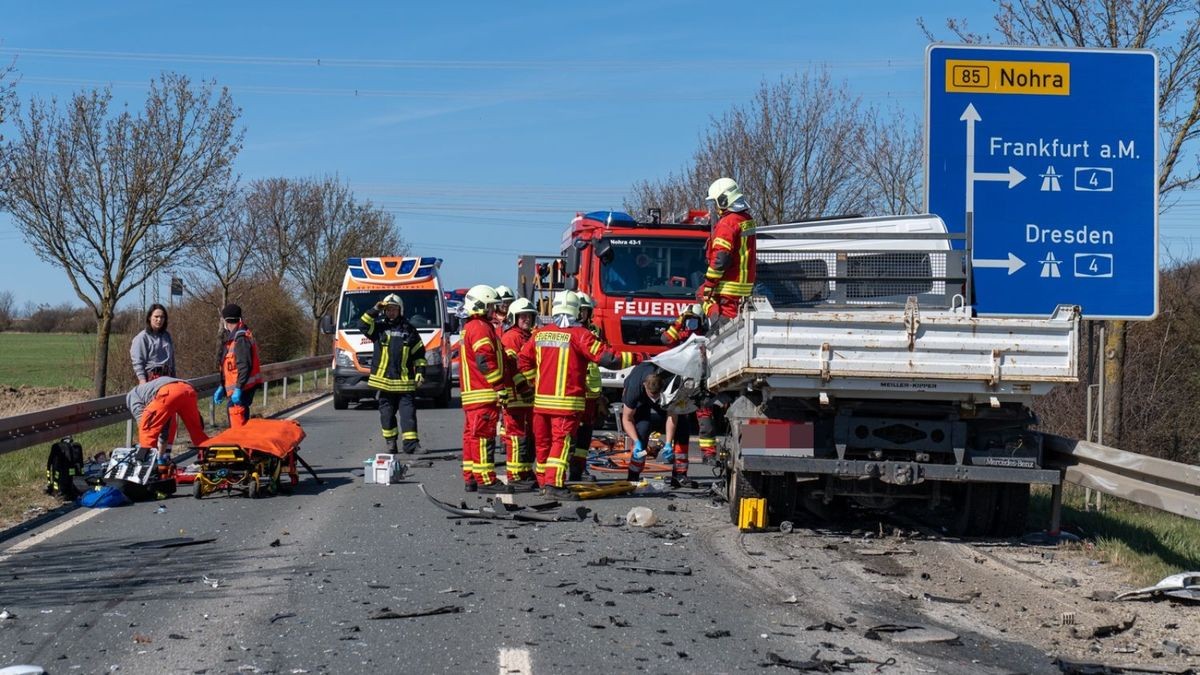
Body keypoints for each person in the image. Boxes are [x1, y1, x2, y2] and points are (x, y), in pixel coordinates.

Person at [517, 290, 640, 500]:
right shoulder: (580, 334)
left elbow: (523, 359)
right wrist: (639, 356)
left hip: (541, 404)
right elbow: (608, 359)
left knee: (544, 443)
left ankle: (544, 482)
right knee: (560, 443)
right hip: (566, 404)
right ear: (576, 310)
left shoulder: (540, 333)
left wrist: (534, 382)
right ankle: (554, 485)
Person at [458, 284, 511, 494]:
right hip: (483, 393)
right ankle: (486, 480)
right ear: (481, 306)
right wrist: (499, 386)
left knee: (472, 437)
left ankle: (471, 478)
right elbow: (484, 360)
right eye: (490, 306)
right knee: (483, 438)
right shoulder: (480, 327)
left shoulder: (469, 327)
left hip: (472, 395)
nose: (493, 311)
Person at [359, 293, 426, 454]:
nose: (391, 312)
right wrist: (375, 309)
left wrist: (420, 372)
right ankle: (391, 443)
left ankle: (411, 445)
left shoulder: (410, 330)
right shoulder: (378, 328)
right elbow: (362, 325)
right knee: (387, 415)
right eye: (388, 309)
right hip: (383, 382)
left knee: (408, 414)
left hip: (404, 382)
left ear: (400, 310)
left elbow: (419, 354)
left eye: (394, 309)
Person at [660, 303, 720, 464]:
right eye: (689, 320)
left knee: (705, 418)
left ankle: (709, 455)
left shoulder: (707, 336)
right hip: (682, 383)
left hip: (701, 383)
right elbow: (666, 339)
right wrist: (680, 320)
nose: (691, 324)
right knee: (678, 419)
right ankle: (674, 455)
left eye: (694, 320)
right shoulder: (681, 336)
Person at [621, 361, 691, 486]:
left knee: (683, 427)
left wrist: (668, 443)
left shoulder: (672, 384)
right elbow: (627, 418)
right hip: (641, 401)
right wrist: (636, 442)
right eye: (651, 394)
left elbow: (672, 416)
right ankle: (634, 474)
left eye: (656, 394)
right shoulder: (634, 388)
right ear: (644, 385)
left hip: (665, 397)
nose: (654, 398)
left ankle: (680, 474)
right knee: (642, 429)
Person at [700, 177, 757, 324]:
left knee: (701, 294)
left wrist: (709, 284)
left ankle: (715, 324)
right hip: (744, 286)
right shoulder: (747, 219)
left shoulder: (727, 223)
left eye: (715, 203)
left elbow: (721, 259)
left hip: (728, 287)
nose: (715, 208)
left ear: (724, 200)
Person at [500, 298, 538, 488]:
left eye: (529, 316)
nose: (527, 319)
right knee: (515, 435)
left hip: (528, 395)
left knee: (527, 435)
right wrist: (523, 386)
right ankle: (515, 475)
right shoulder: (511, 337)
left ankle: (524, 471)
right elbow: (512, 367)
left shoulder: (527, 336)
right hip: (516, 394)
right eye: (523, 316)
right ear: (514, 317)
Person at [127, 376, 209, 459]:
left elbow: (145, 422)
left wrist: (144, 447)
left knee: (147, 430)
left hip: (168, 392)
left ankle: (145, 461)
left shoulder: (133, 396)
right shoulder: (149, 391)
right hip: (188, 389)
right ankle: (208, 456)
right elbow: (164, 423)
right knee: (196, 429)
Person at [571, 291, 605, 481]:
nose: (582, 314)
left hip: (591, 391)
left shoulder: (594, 331)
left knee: (586, 432)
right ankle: (567, 466)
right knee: (571, 431)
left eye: (585, 310)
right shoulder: (570, 332)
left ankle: (579, 468)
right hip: (575, 389)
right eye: (580, 310)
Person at [212, 304, 262, 428]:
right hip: (239, 389)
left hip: (243, 389)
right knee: (238, 421)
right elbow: (230, 367)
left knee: (238, 423)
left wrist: (238, 388)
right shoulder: (234, 338)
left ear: (225, 320)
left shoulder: (240, 339)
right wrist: (222, 387)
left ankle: (243, 446)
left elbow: (244, 366)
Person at [130, 304, 175, 384]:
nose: (159, 319)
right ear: (149, 317)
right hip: (152, 380)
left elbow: (172, 359)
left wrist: (174, 378)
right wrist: (142, 380)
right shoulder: (142, 338)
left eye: (162, 317)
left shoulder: (167, 336)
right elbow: (138, 361)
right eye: (156, 317)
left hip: (168, 378)